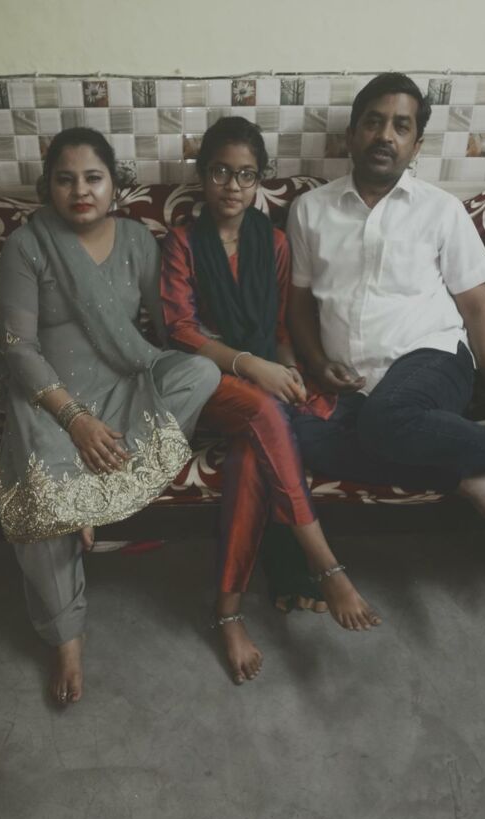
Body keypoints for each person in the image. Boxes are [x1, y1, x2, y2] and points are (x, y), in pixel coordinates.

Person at [0, 127, 220, 705]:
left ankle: (91, 499)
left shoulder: (139, 240)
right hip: (48, 396)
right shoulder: (27, 245)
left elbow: (168, 330)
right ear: (47, 187)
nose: (80, 191)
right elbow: (18, 348)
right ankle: (67, 635)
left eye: (93, 178)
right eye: (65, 180)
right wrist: (74, 419)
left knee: (200, 374)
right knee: (43, 496)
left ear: (114, 184)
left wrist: (233, 352)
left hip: (122, 379)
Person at [160, 117, 381, 686]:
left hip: (260, 383)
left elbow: (282, 329)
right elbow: (180, 330)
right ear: (202, 175)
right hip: (205, 383)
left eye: (246, 175)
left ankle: (227, 612)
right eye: (220, 172)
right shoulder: (182, 243)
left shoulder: (275, 243)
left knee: (253, 454)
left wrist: (287, 370)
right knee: (263, 410)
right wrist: (252, 367)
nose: (232, 186)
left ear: (260, 180)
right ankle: (324, 563)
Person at [286, 73, 485, 559]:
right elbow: (300, 304)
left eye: (400, 126)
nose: (385, 136)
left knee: (386, 419)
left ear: (416, 146)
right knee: (299, 435)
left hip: (433, 358)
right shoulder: (310, 211)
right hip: (352, 383)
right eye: (374, 122)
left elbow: (477, 308)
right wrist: (317, 362)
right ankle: (468, 474)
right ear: (352, 135)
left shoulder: (441, 210)